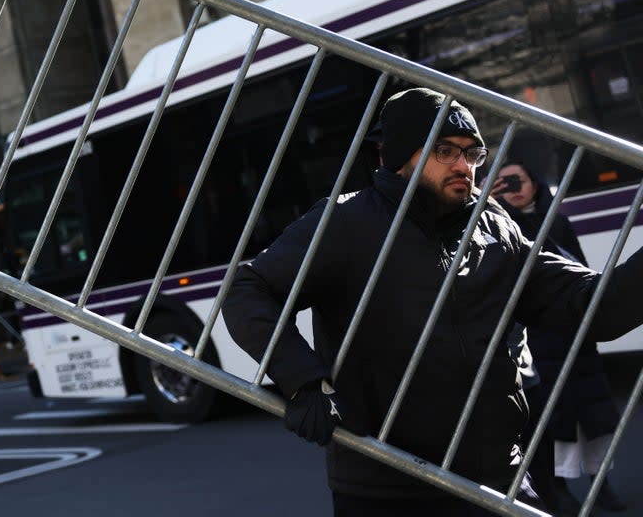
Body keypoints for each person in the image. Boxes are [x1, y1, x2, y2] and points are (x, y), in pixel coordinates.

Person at [222, 87, 643, 516]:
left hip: (497, 481)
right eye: (445, 150)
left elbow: (592, 307)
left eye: (472, 154)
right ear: (401, 158)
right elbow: (247, 289)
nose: (464, 165)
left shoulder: (495, 226)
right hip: (387, 486)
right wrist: (303, 380)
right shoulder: (345, 222)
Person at [489, 161, 627, 515]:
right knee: (553, 419)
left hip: (575, 333)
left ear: (536, 182)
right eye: (503, 182)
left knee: (595, 415)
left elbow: (582, 273)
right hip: (536, 337)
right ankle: (560, 489)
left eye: (519, 179)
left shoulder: (559, 222)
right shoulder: (499, 227)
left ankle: (602, 485)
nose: (513, 188)